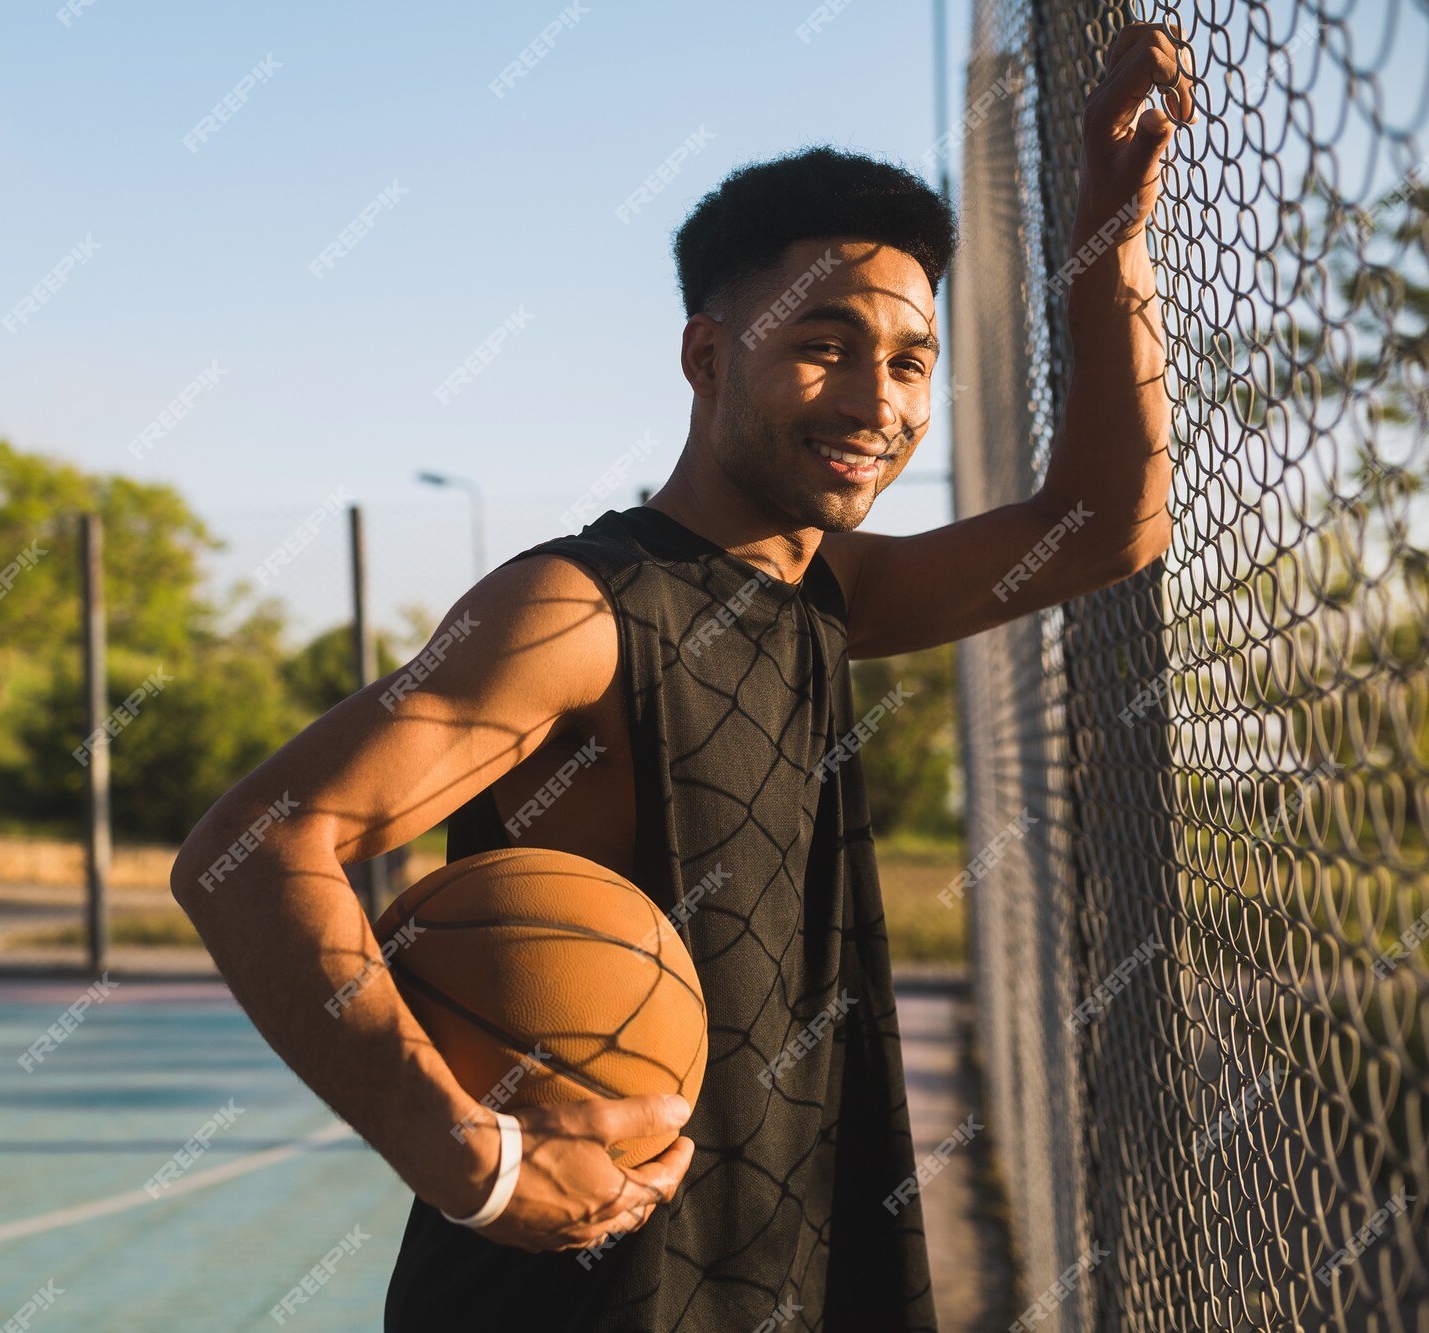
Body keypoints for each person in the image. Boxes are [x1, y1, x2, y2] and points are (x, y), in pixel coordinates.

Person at [172, 21, 1194, 1331]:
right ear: (709, 357)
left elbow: (1112, 518)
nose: (877, 398)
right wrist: (468, 1161)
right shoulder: (580, 608)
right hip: (578, 1285)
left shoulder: (828, 589)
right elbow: (249, 849)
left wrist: (1109, 223)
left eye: (910, 358)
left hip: (783, 1248)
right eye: (823, 342)